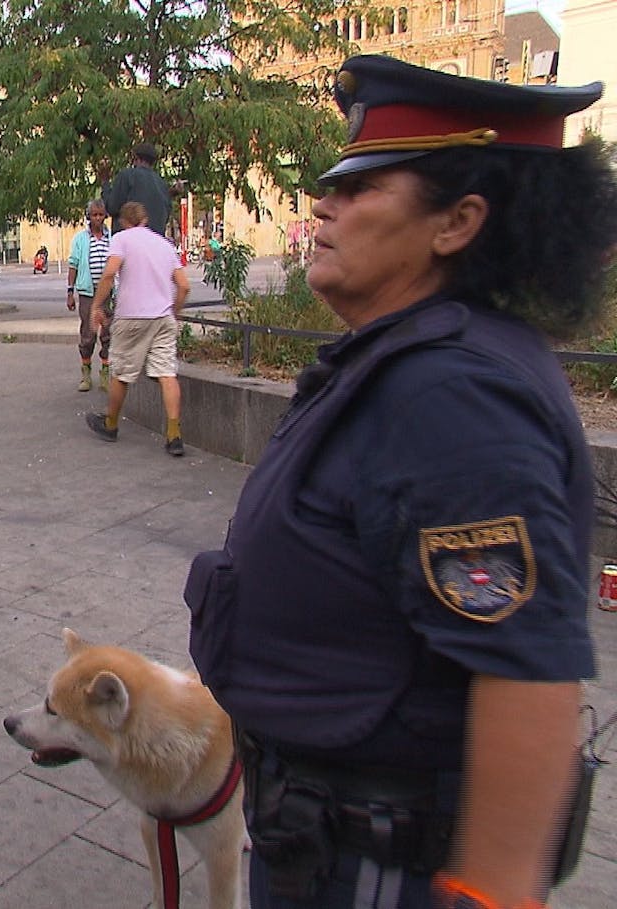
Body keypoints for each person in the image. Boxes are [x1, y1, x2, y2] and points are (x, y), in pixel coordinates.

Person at [183, 54, 616, 909]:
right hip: (320, 832)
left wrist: (489, 894)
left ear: (456, 222)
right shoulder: (411, 355)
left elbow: (523, 669)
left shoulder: (455, 396)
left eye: (362, 185)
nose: (322, 204)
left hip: (374, 862)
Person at [83, 201, 190, 456]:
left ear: (123, 221)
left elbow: (109, 274)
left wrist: (96, 306)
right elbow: (184, 285)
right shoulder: (165, 245)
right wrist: (174, 310)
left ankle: (110, 424)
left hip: (132, 317)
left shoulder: (121, 240)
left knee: (122, 372)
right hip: (162, 317)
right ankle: (174, 434)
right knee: (166, 373)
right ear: (144, 219)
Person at [65, 200, 113, 392]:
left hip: (108, 294)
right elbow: (73, 265)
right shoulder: (80, 240)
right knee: (88, 334)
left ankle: (105, 373)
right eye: (94, 215)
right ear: (89, 217)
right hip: (87, 294)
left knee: (108, 334)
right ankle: (86, 372)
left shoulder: (113, 239)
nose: (98, 218)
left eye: (101, 215)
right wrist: (70, 292)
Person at [103, 143, 173, 237]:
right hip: (154, 243)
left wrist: (105, 183)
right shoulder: (162, 184)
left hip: (128, 242)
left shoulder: (126, 176)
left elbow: (112, 207)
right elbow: (165, 215)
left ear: (135, 158)